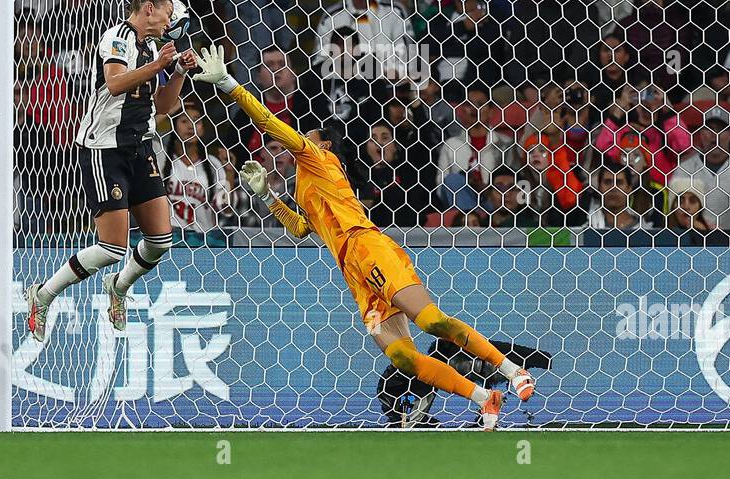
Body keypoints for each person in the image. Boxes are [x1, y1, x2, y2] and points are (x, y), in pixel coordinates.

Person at [194, 43, 536, 430]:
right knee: (403, 358)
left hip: (368, 248)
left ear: (323, 144)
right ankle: (483, 397)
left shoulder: (320, 161)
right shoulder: (307, 187)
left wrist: (229, 84)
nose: (299, 139)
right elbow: (304, 228)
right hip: (354, 271)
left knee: (431, 322)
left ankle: (512, 370)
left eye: (308, 136)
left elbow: (270, 124)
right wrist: (268, 197)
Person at [26, 0, 197, 341]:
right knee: (111, 248)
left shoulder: (153, 49)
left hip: (140, 146)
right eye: (167, 14)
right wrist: (160, 65)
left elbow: (164, 106)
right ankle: (43, 294)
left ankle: (118, 287)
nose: (170, 24)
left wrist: (179, 71)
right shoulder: (116, 37)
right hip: (104, 149)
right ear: (149, 8)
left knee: (161, 241)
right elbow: (116, 83)